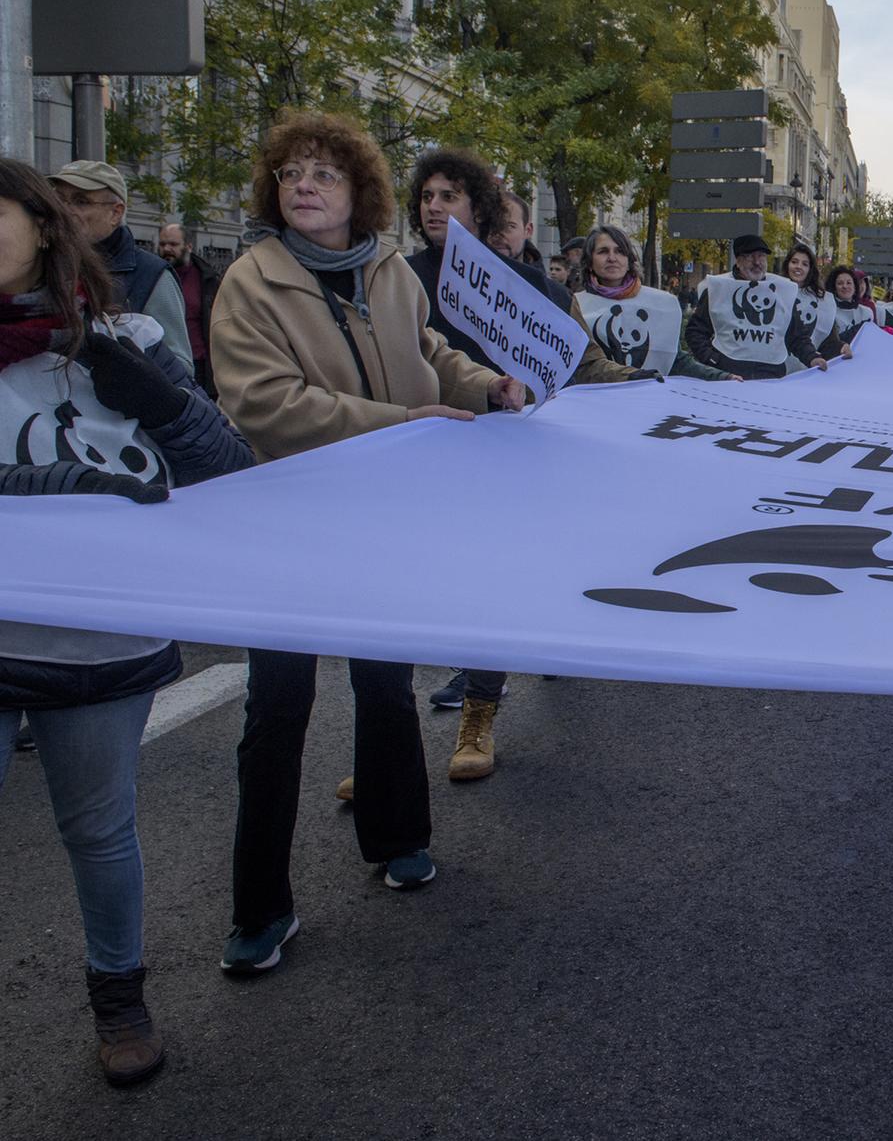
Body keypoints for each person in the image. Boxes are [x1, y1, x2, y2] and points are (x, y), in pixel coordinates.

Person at [208, 111, 523, 974]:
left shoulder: (389, 274)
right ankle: (261, 909)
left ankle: (399, 839)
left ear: (358, 192)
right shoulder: (250, 281)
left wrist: (488, 383)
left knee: (385, 686)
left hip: (383, 524)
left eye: (323, 173)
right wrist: (401, 422)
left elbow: (428, 355)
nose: (302, 185)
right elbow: (263, 404)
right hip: (289, 531)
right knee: (277, 712)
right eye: (289, 175)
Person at [0, 157, 252, 1086]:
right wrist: (72, 486)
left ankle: (120, 998)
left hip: (95, 642)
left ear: (42, 227)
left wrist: (155, 400)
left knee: (99, 832)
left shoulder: (129, 332)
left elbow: (223, 465)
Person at [402, 151, 653, 766]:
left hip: (508, 467)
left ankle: (477, 724)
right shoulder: (398, 279)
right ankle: (387, 747)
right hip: (417, 461)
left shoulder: (541, 293)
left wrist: (660, 385)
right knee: (403, 598)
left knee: (489, 587)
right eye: (427, 196)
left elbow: (585, 366)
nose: (436, 207)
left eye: (451, 197)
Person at [49, 161, 192, 369]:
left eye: (81, 201)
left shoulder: (151, 275)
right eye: (59, 200)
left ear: (116, 213)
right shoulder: (38, 265)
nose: (64, 211)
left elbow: (180, 368)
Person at [577, 224, 737, 380]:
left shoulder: (660, 304)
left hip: (646, 399)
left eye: (620, 251)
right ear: (590, 261)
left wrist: (722, 377)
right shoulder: (575, 305)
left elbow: (674, 361)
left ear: (629, 260)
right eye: (603, 251)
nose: (612, 258)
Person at [686, 233, 827, 379]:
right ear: (738, 261)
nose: (757, 262)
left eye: (761, 256)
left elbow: (797, 336)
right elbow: (695, 331)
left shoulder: (781, 291)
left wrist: (812, 358)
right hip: (728, 378)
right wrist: (713, 360)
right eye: (750, 257)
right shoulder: (719, 289)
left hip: (770, 378)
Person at [159, 223, 221, 395]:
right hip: (164, 363)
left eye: (173, 244)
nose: (167, 249)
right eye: (163, 244)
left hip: (200, 364)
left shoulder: (207, 280)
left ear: (189, 246)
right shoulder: (153, 276)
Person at [782, 243, 852, 367]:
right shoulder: (774, 292)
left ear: (810, 269)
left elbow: (827, 341)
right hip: (776, 368)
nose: (798, 267)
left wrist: (841, 347)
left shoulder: (823, 300)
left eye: (805, 264)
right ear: (787, 264)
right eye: (794, 262)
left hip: (807, 369)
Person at [826, 266, 873, 346]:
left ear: (855, 287)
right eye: (840, 283)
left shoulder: (867, 312)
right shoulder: (828, 312)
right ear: (834, 288)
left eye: (849, 283)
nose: (845, 286)